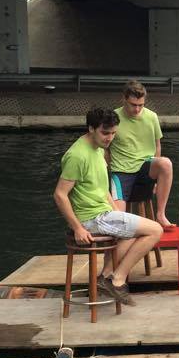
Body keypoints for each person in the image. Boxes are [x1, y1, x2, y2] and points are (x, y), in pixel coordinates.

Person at [53, 108, 164, 305]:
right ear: (91, 128)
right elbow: (60, 195)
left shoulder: (99, 149)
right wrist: (78, 227)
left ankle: (105, 276)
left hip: (103, 213)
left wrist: (115, 211)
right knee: (155, 230)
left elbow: (103, 190)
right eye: (105, 133)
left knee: (135, 232)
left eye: (113, 133)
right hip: (91, 219)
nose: (110, 138)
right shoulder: (77, 155)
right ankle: (117, 279)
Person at [107, 80, 174, 227]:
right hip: (121, 171)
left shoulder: (152, 117)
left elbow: (157, 145)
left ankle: (161, 214)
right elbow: (105, 147)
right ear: (124, 99)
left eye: (141, 105)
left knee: (166, 163)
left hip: (145, 167)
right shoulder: (113, 118)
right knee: (118, 221)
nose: (137, 109)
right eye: (133, 105)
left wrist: (157, 179)